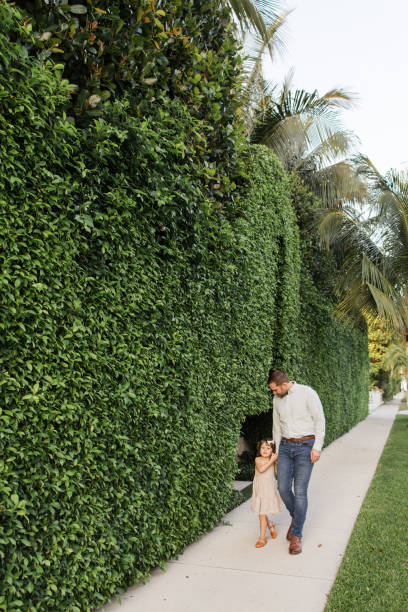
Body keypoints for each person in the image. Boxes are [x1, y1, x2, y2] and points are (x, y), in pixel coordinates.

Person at [268, 369, 325, 555]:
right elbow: (276, 427)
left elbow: (319, 420)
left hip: (305, 446)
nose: (273, 393)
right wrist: (275, 452)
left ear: (283, 385)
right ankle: (297, 517)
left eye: (275, 389)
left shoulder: (308, 393)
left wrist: (317, 447)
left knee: (300, 491)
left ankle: (296, 535)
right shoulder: (277, 400)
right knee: (283, 488)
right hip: (285, 446)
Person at [250, 439, 284, 548]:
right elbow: (261, 470)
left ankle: (267, 529)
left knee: (262, 512)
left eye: (268, 448)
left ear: (272, 450)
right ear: (259, 449)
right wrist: (271, 460)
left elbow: (277, 473)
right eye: (263, 448)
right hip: (260, 489)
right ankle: (263, 537)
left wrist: (276, 462)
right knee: (261, 512)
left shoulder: (272, 460)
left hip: (269, 489)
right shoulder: (258, 459)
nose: (265, 450)